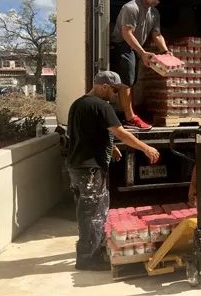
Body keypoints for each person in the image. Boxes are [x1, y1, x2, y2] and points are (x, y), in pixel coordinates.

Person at [66, 71, 160, 271]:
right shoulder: (102, 106)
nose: (116, 94)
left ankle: (87, 250)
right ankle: (88, 259)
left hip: (76, 167)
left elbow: (86, 133)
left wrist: (111, 147)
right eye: (115, 90)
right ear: (105, 86)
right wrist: (146, 148)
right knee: (94, 214)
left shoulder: (79, 104)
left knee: (85, 212)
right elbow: (122, 133)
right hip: (91, 168)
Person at [110, 0, 171, 130]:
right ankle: (130, 118)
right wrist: (142, 53)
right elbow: (127, 33)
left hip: (135, 48)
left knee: (132, 80)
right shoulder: (131, 8)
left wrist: (165, 51)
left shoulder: (154, 13)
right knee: (127, 81)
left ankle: (127, 114)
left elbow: (157, 35)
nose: (156, 1)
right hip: (122, 45)